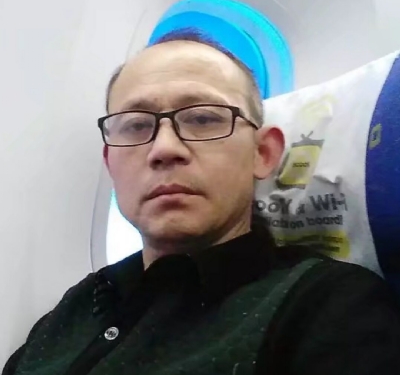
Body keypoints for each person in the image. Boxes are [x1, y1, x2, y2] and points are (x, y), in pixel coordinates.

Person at [3, 28, 400, 375]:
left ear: (263, 153)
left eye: (203, 118)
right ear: (110, 162)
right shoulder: (81, 301)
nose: (164, 149)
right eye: (136, 125)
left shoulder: (328, 309)